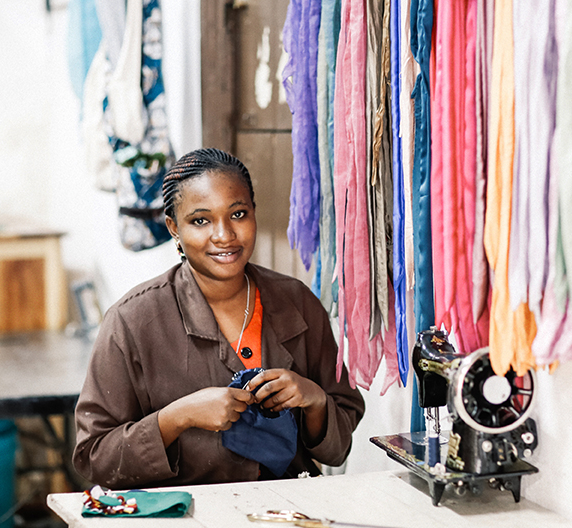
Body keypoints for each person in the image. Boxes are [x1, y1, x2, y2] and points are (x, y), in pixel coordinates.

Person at [73, 148, 365, 489]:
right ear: (174, 228)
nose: (224, 235)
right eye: (201, 220)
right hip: (186, 514)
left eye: (238, 214)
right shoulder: (132, 322)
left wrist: (313, 399)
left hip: (289, 508)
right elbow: (95, 457)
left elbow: (337, 448)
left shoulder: (297, 302)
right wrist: (177, 417)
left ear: (253, 213)